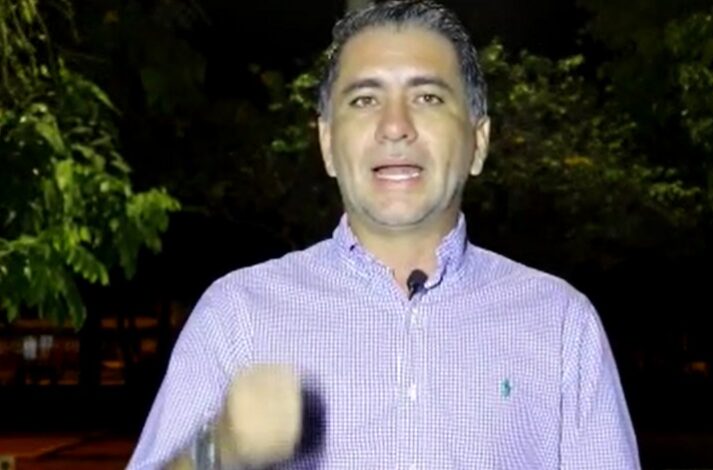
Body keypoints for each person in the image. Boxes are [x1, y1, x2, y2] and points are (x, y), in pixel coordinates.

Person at [128, 1, 640, 468]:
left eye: (428, 97)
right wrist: (217, 451)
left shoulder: (560, 325)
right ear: (327, 143)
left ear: (478, 142)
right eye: (364, 99)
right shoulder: (237, 317)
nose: (395, 126)